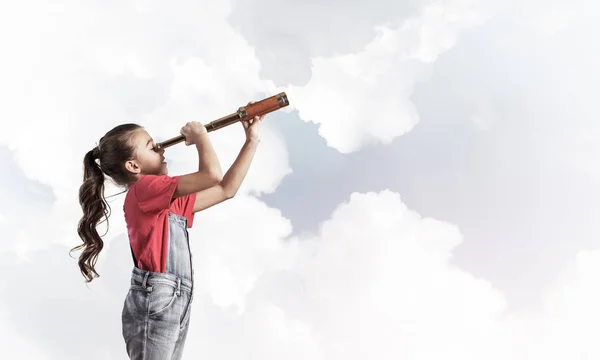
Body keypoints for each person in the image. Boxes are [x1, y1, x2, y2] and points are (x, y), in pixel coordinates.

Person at [72, 111, 263, 359]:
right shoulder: (143, 189)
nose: (162, 150)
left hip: (175, 299)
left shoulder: (167, 200)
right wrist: (201, 136)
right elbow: (212, 175)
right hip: (158, 299)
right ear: (133, 166)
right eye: (153, 147)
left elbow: (226, 189)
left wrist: (252, 141)